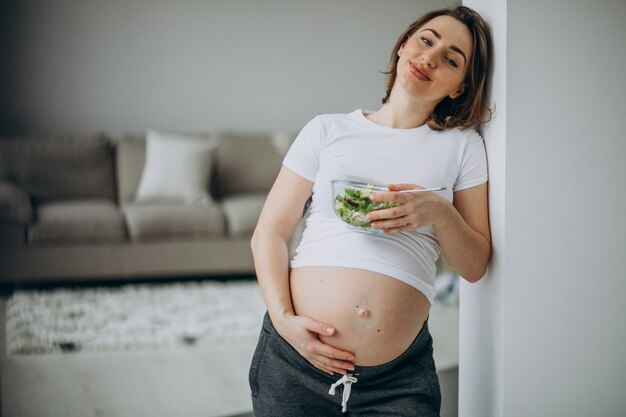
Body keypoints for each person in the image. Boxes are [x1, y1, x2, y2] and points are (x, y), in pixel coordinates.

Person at [248, 5, 492, 417]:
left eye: (451, 59)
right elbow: (269, 231)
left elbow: (475, 265)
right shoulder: (327, 129)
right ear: (403, 47)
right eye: (426, 40)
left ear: (458, 87)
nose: (430, 57)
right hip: (294, 359)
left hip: (398, 382)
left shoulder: (463, 146)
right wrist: (284, 319)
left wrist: (438, 212)